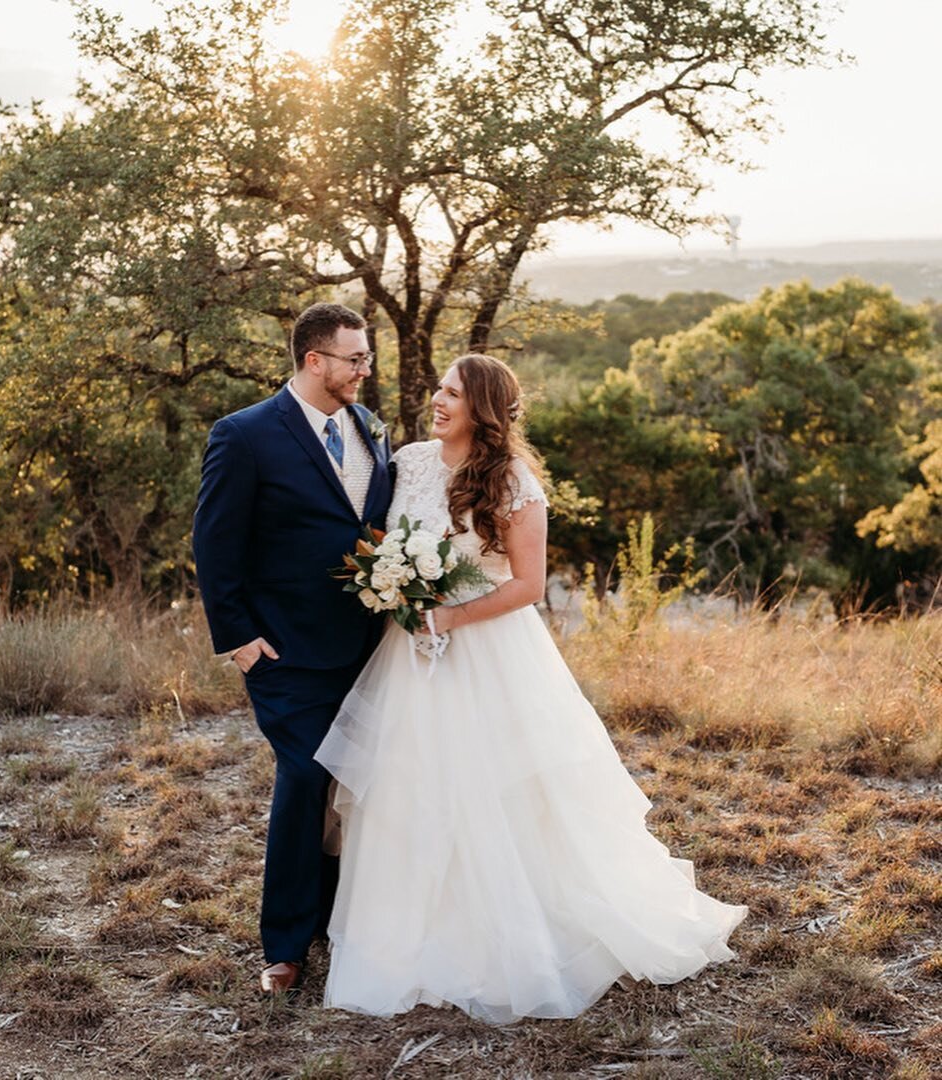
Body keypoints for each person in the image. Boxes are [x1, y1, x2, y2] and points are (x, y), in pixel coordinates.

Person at [314, 353, 747, 1023]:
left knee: (494, 789)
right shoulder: (411, 462)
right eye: (440, 388)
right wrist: (392, 586)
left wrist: (446, 614)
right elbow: (378, 540)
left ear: (483, 407)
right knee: (409, 785)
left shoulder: (514, 482)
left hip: (485, 652)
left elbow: (527, 585)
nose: (439, 400)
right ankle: (405, 930)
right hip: (408, 654)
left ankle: (513, 930)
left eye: (454, 393)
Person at [192, 302, 393, 995]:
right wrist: (241, 642)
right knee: (307, 778)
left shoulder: (370, 428)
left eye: (367, 357)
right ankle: (285, 944)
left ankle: (340, 920)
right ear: (315, 361)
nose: (366, 369)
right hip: (284, 653)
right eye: (355, 359)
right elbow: (214, 545)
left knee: (354, 785)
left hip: (369, 646)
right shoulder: (244, 435)